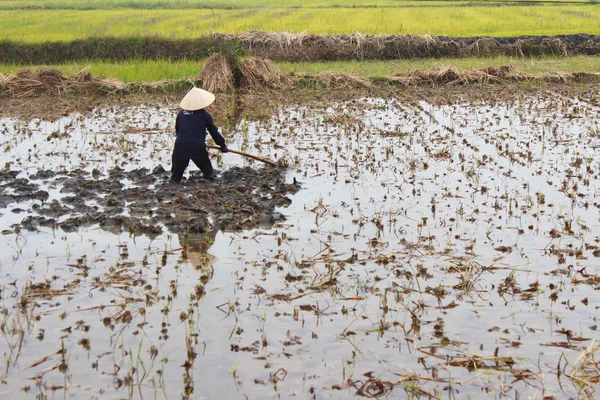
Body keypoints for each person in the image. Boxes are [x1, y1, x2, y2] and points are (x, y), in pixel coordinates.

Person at [171, 87, 229, 184]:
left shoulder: (181, 114)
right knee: (209, 174)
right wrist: (222, 145)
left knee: (175, 179)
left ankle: (172, 196)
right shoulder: (204, 115)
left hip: (180, 147)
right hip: (197, 147)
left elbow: (178, 131)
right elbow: (214, 132)